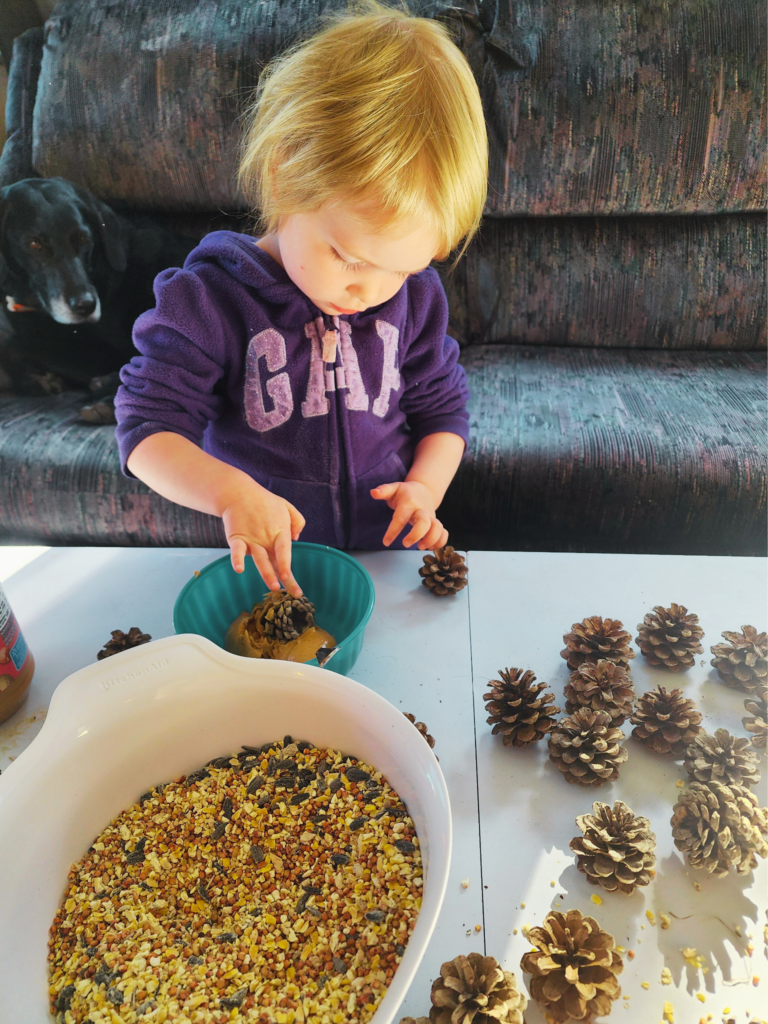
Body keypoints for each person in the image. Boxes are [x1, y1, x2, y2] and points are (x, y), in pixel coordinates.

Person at [115, 0, 488, 598]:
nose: (372, 291)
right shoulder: (208, 302)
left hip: (382, 561)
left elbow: (444, 412)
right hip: (269, 568)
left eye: (406, 267)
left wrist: (425, 487)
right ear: (288, 174)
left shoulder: (413, 298)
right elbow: (145, 430)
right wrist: (231, 493)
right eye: (351, 258)